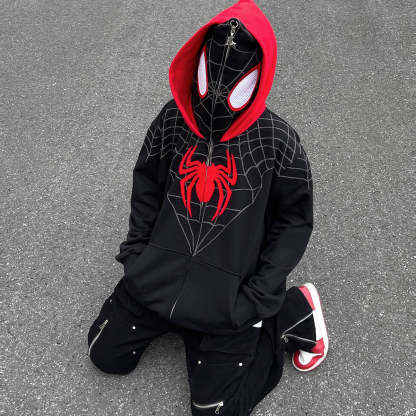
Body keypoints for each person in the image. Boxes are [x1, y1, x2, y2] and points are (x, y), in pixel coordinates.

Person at [87, 0, 329, 414]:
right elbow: (146, 182)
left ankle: (294, 313)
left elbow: (294, 221)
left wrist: (258, 295)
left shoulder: (278, 141)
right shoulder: (172, 118)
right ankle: (183, 321)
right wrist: (138, 253)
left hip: (229, 296)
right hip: (158, 276)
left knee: (217, 410)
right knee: (104, 353)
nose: (218, 84)